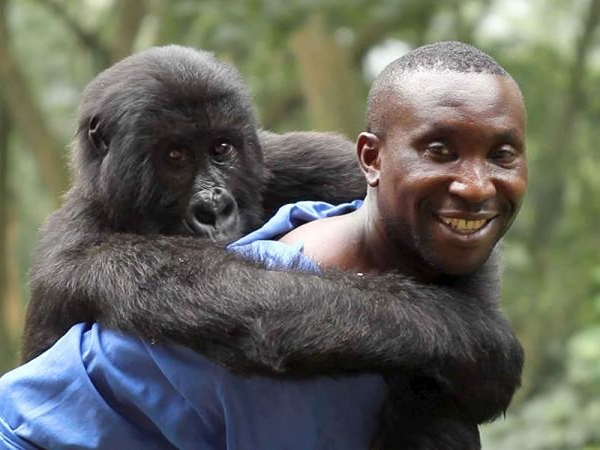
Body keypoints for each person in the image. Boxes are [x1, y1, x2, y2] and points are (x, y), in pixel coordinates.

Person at [0, 41, 527, 449]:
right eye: (175, 159)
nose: (213, 199)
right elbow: (257, 321)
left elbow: (447, 222)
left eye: (223, 150)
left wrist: (437, 390)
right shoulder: (84, 254)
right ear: (103, 146)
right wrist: (464, 332)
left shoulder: (297, 165)